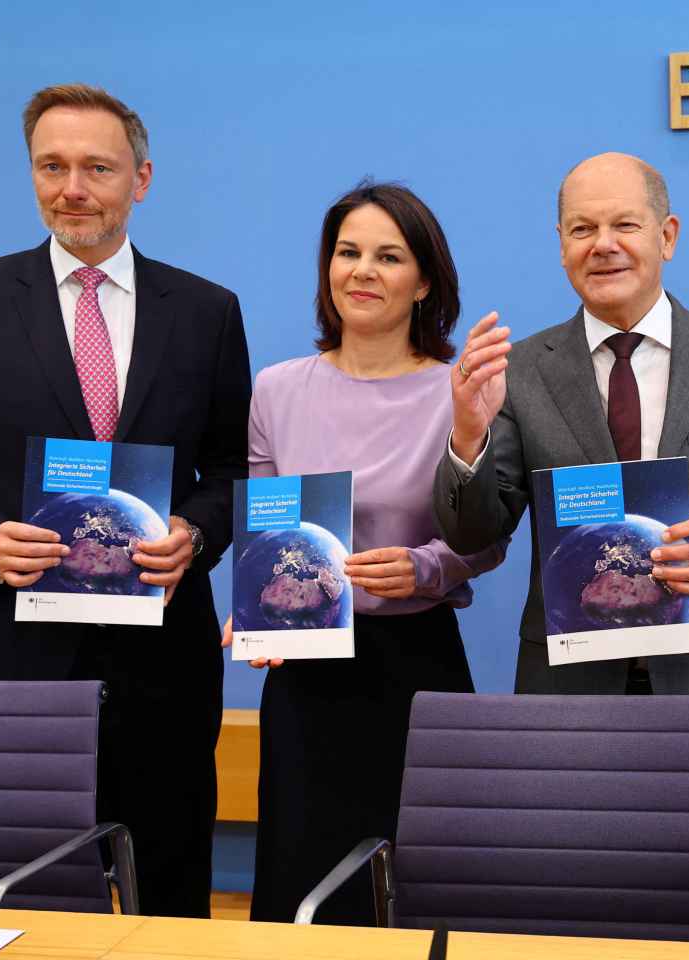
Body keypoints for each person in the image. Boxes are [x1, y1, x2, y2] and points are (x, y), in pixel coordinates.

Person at [0, 83, 250, 917]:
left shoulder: (206, 311)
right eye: (51, 166)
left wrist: (197, 529)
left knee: (170, 895)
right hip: (23, 657)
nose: (71, 187)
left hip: (166, 662)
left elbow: (234, 467)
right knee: (29, 894)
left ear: (141, 179)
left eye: (96, 167)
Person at [433, 152, 689, 847]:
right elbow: (472, 531)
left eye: (624, 225)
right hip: (566, 695)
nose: (602, 244)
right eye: (581, 228)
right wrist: (467, 433)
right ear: (560, 247)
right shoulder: (521, 372)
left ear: (666, 236)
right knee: (574, 912)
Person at [226, 181, 505, 924]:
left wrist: (426, 567)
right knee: (302, 885)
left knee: (422, 890)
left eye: (389, 256)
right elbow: (266, 531)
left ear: (423, 282)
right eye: (348, 252)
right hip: (307, 685)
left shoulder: (460, 390)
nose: (363, 271)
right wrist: (253, 614)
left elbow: (487, 537)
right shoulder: (277, 389)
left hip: (416, 667)